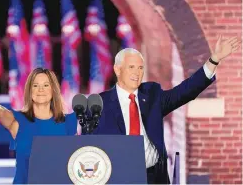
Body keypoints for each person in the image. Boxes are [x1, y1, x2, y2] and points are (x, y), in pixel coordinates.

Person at [92, 35, 241, 184]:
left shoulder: (152, 95)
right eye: (131, 67)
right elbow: (90, 149)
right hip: (119, 179)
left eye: (140, 68)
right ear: (117, 70)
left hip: (154, 178)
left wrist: (214, 60)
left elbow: (185, 91)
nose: (137, 73)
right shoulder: (100, 104)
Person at [0, 68, 78, 184]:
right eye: (35, 85)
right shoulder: (18, 121)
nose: (40, 89)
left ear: (53, 89)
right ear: (29, 91)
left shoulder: (69, 122)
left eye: (46, 85)